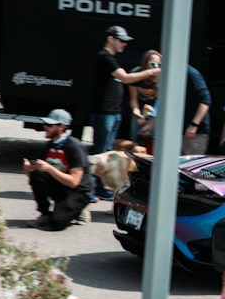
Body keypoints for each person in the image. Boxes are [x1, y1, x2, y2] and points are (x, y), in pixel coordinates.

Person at [90, 25, 160, 198]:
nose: (124, 44)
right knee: (100, 154)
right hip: (104, 112)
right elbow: (126, 78)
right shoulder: (104, 57)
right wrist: (152, 71)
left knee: (108, 152)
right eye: (121, 41)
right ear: (111, 39)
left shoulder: (111, 58)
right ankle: (91, 190)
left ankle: (100, 188)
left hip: (113, 113)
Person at [23, 109, 94, 231]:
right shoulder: (49, 146)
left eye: (50, 125)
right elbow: (34, 179)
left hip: (78, 191)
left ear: (61, 127)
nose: (45, 127)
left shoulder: (74, 147)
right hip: (60, 185)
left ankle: (80, 209)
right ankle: (44, 213)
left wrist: (50, 169)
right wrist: (28, 169)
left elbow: (74, 182)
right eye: (45, 124)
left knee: (57, 223)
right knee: (37, 173)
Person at [127, 49, 160, 147]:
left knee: (153, 141)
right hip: (140, 110)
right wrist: (136, 111)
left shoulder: (162, 77)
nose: (157, 67)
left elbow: (160, 102)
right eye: (153, 64)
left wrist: (150, 118)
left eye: (159, 64)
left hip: (154, 113)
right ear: (146, 63)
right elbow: (133, 99)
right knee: (135, 140)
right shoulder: (136, 73)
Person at [183, 64, 213, 156]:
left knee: (191, 167)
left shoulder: (191, 73)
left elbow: (206, 100)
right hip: (177, 131)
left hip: (195, 133)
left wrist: (194, 124)